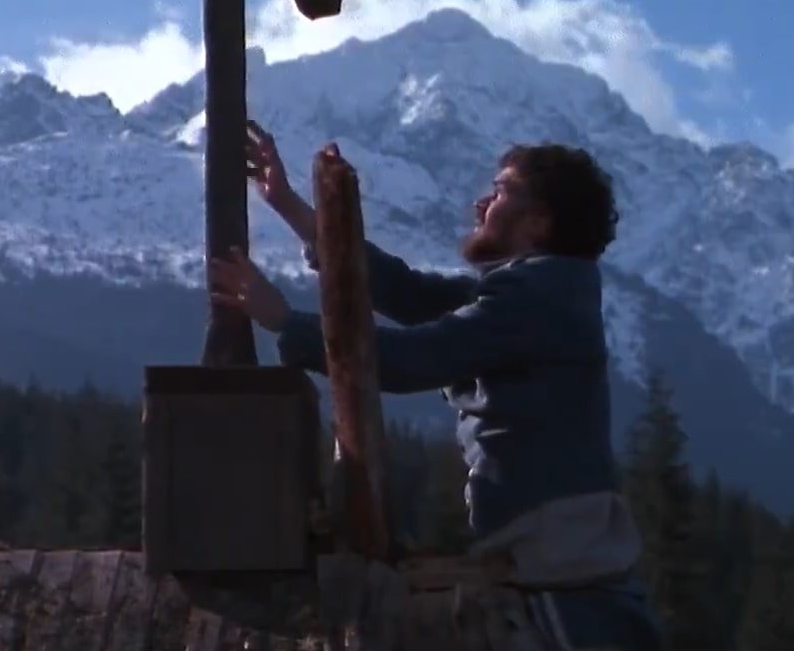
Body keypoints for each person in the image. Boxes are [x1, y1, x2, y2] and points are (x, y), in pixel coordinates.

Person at [209, 120, 663, 650]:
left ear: (537, 222)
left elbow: (408, 360)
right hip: (552, 553)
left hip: (556, 567)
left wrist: (285, 321)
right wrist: (289, 205)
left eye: (501, 192)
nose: (481, 204)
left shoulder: (537, 298)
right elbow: (407, 293)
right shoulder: (542, 291)